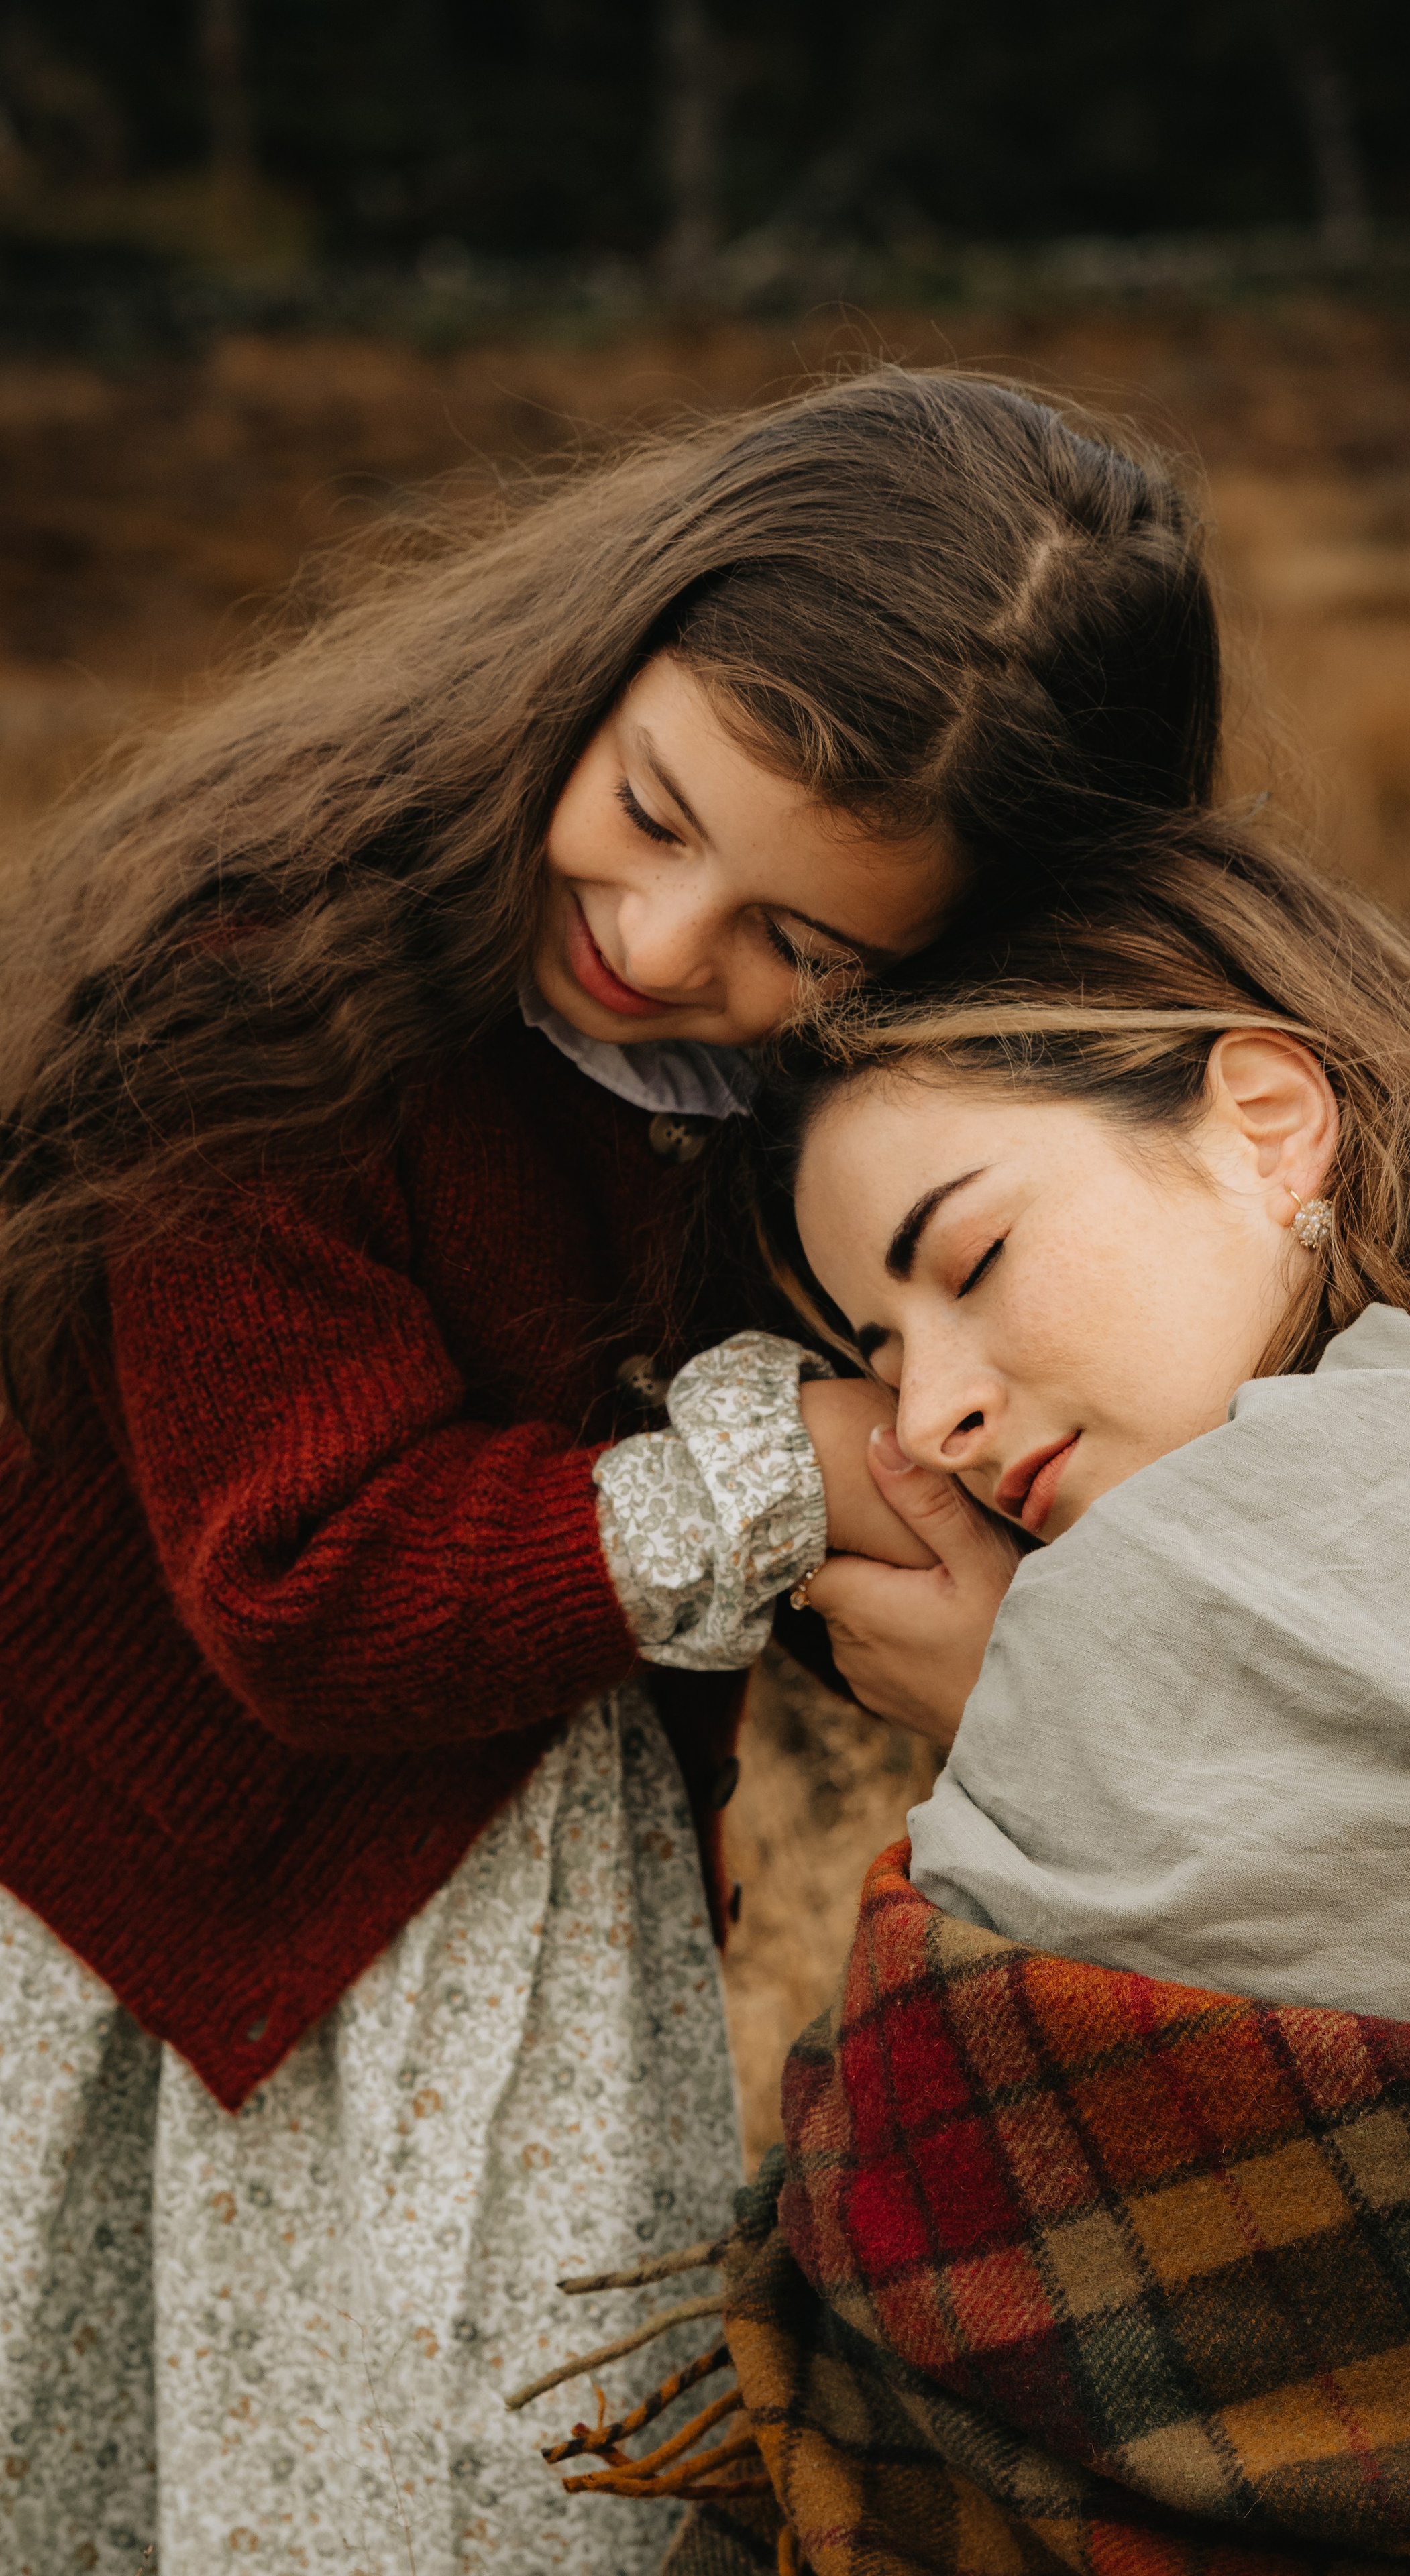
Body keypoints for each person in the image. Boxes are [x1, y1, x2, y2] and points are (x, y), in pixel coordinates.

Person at [0, 368, 1223, 2576]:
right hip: (167, 1876)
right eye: (655, 808)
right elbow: (309, 1587)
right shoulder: (273, 984)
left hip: (532, 1863)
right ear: (603, 648)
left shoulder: (820, 1109)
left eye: (803, 942)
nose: (663, 949)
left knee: (529, 2483)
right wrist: (790, 1476)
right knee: (235, 2456)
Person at [743, 824, 1410, 2044]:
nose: (930, 1421)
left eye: (974, 1260)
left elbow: (970, 2124)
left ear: (1263, 1123)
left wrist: (1021, 1693)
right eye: (878, 1354)